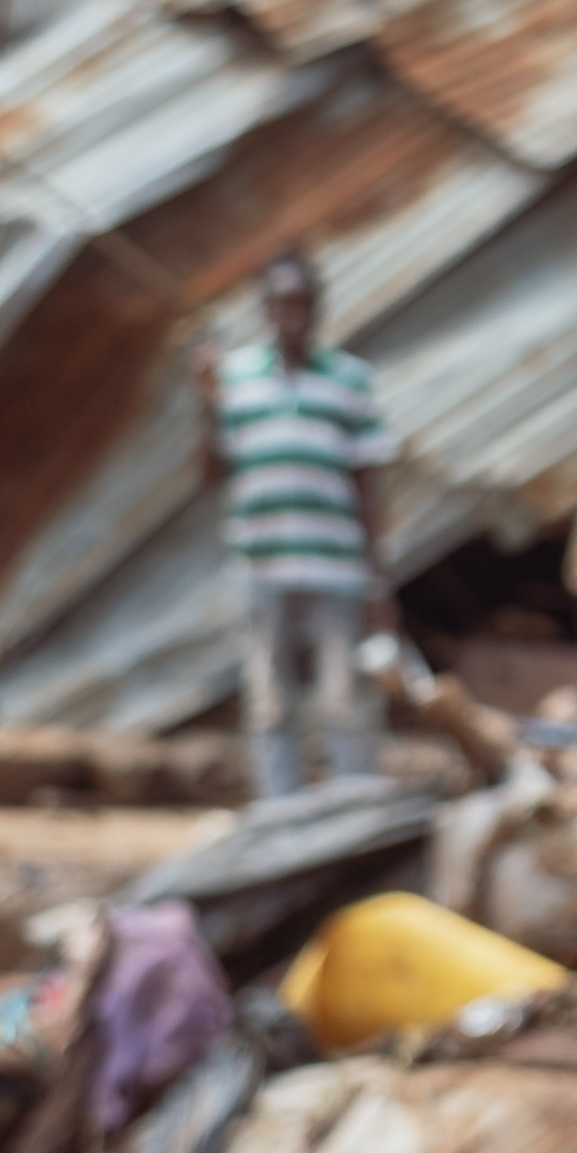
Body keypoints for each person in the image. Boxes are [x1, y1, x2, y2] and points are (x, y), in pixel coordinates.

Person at [197, 253, 392, 796]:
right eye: (282, 303)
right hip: (262, 566)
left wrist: (378, 578)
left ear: (317, 308)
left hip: (336, 566)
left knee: (343, 701)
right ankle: (280, 812)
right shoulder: (233, 379)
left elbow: (368, 485)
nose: (293, 314)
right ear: (266, 309)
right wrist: (205, 405)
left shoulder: (349, 380)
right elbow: (211, 474)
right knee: (269, 702)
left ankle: (356, 806)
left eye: (302, 303)